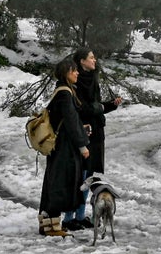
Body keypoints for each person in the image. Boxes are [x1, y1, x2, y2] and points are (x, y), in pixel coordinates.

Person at [63, 48, 123, 231]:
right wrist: (98, 108)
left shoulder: (93, 79)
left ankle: (80, 216)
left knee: (88, 176)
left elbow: (95, 106)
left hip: (96, 132)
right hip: (83, 133)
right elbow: (82, 109)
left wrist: (111, 105)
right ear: (81, 61)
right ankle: (68, 217)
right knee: (78, 177)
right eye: (91, 57)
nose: (94, 60)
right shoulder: (75, 80)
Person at [38, 57, 90, 237]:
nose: (77, 73)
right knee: (60, 184)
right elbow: (70, 123)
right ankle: (52, 227)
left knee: (53, 182)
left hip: (58, 146)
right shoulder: (65, 93)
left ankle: (47, 224)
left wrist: (80, 129)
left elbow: (68, 121)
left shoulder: (61, 91)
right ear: (66, 73)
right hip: (65, 149)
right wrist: (82, 146)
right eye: (73, 70)